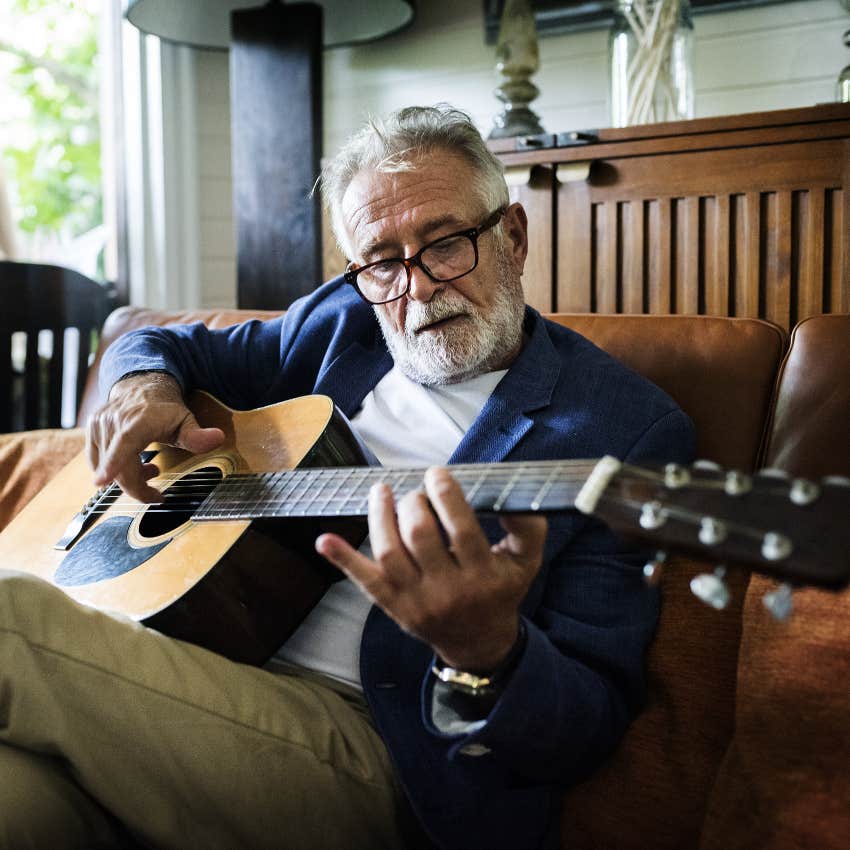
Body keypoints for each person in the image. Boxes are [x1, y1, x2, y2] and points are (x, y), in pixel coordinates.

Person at [0, 105, 694, 850]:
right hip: (180, 665)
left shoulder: (622, 429)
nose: (418, 288)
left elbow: (588, 721)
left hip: (376, 746)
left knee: (10, 614)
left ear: (512, 237)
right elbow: (159, 342)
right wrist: (141, 388)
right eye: (383, 262)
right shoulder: (346, 317)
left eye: (447, 244)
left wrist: (489, 652)